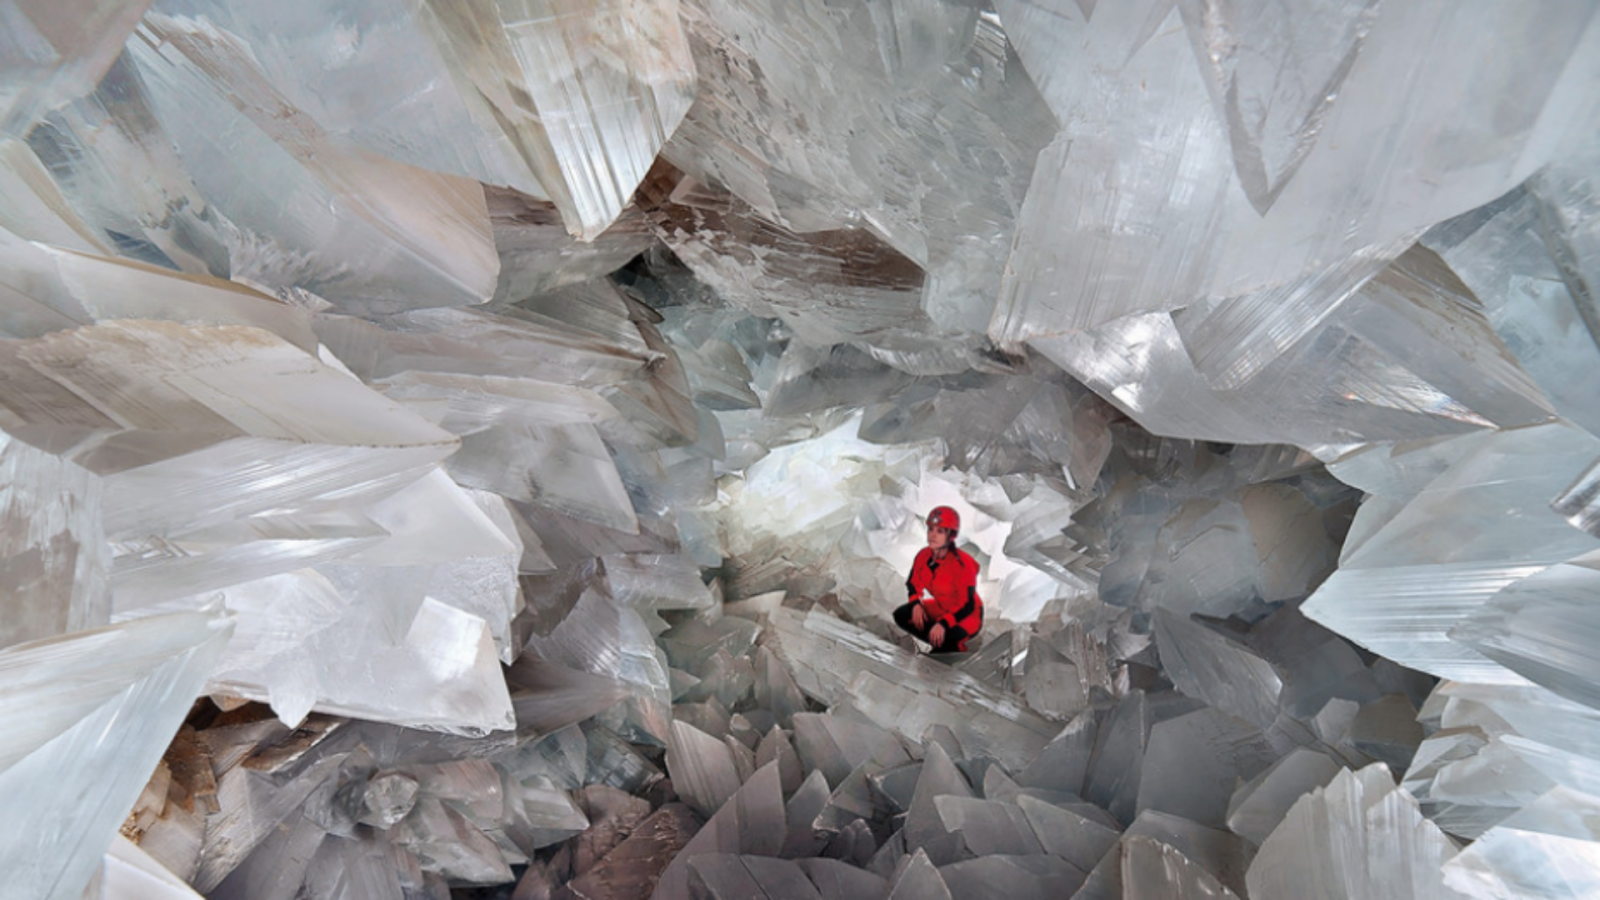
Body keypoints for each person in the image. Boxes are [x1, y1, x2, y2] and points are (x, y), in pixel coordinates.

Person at [894, 506, 984, 653]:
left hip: (968, 615)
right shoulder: (923, 555)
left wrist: (943, 624)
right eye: (931, 529)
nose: (932, 535)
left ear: (951, 535)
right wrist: (916, 603)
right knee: (902, 614)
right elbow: (913, 583)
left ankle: (952, 646)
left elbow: (967, 604)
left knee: (947, 639)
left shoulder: (963, 564)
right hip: (942, 607)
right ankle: (939, 642)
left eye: (940, 531)